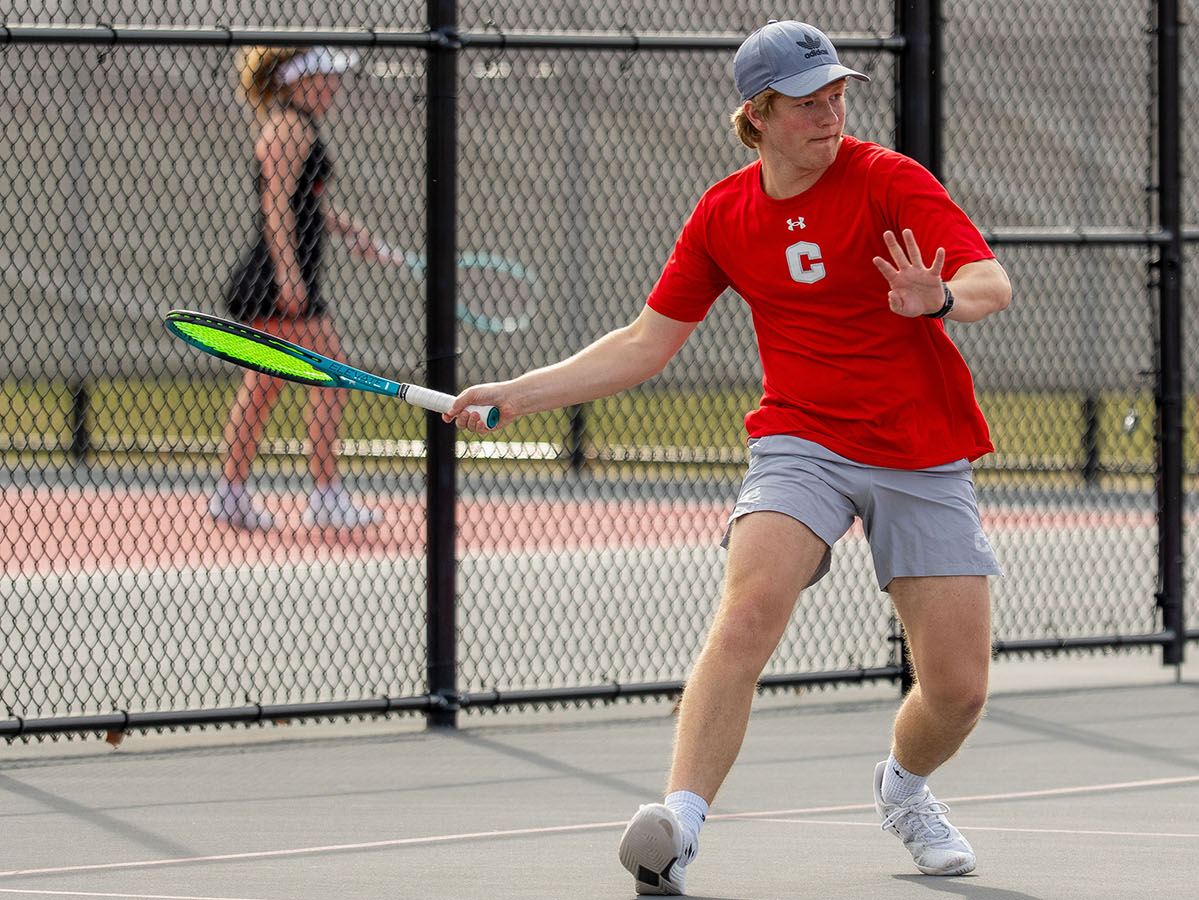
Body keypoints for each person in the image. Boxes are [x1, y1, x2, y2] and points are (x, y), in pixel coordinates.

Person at [445, 19, 1012, 895]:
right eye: (807, 104)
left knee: (959, 690)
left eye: (837, 98)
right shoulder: (723, 214)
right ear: (758, 115)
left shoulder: (889, 181)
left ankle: (903, 789)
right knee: (749, 609)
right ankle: (679, 824)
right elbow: (643, 342)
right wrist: (519, 392)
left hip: (920, 447)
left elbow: (989, 283)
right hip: (801, 440)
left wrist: (937, 299)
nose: (830, 116)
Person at [209, 45, 385, 531]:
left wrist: (349, 231)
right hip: (278, 280)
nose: (332, 88)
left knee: (263, 384)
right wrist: (288, 277)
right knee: (335, 373)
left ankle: (231, 493)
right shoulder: (290, 126)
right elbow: (275, 206)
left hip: (288, 275)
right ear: (298, 81)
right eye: (324, 78)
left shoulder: (298, 124)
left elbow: (304, 204)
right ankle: (324, 495)